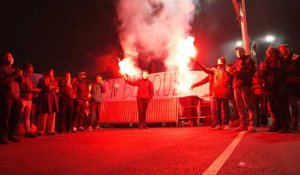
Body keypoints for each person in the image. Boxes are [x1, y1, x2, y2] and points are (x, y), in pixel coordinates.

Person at [193, 57, 232, 130]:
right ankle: (219, 124)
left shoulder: (228, 69)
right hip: (217, 92)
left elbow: (233, 74)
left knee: (225, 109)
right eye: (219, 62)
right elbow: (206, 70)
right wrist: (198, 64)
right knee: (217, 109)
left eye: (222, 62)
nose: (220, 63)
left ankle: (226, 123)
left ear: (224, 62)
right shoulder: (215, 71)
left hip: (225, 91)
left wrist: (229, 70)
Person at [227, 47, 257, 132]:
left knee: (249, 105)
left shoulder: (249, 60)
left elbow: (250, 72)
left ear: (244, 52)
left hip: (245, 85)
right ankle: (243, 124)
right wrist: (230, 72)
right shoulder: (235, 62)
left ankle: (252, 124)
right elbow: (234, 74)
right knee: (240, 106)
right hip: (236, 86)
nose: (238, 52)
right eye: (237, 51)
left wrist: (237, 73)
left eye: (240, 51)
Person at [261, 47, 290, 133]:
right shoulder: (268, 61)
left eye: (271, 52)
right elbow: (265, 75)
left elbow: (281, 73)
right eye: (268, 52)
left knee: (282, 107)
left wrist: (268, 68)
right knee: (273, 108)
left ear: (276, 53)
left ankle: (286, 126)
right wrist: (263, 70)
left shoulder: (281, 60)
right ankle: (277, 125)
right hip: (270, 87)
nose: (269, 54)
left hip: (280, 86)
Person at [0, 52, 23, 144]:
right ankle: (3, 136)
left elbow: (19, 84)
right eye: (8, 57)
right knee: (5, 116)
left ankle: (12, 134)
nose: (10, 58)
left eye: (11, 57)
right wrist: (13, 74)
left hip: (15, 95)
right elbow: (2, 81)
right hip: (6, 95)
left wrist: (20, 77)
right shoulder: (1, 68)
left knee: (15, 116)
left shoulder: (12, 69)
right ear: (3, 58)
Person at [278, 44, 300, 130]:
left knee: (294, 105)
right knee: (284, 106)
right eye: (281, 49)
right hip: (283, 85)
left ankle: (295, 124)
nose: (283, 51)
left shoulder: (295, 57)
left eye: (285, 49)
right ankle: (288, 124)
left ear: (289, 49)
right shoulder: (279, 59)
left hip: (292, 84)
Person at [20, 63, 41, 137]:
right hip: (23, 98)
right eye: (30, 69)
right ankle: (13, 131)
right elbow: (22, 87)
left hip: (29, 99)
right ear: (26, 69)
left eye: (32, 69)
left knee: (27, 116)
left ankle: (28, 131)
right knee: (18, 115)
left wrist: (33, 92)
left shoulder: (30, 78)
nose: (32, 70)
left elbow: (30, 88)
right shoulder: (22, 77)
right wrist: (33, 90)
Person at [37, 68, 59, 135]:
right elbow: (42, 88)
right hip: (45, 99)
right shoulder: (42, 80)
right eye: (51, 72)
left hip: (52, 99)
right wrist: (51, 87)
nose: (53, 74)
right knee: (44, 113)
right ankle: (41, 130)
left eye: (53, 72)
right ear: (48, 73)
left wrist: (56, 90)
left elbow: (56, 88)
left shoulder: (54, 80)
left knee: (52, 113)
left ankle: (51, 130)